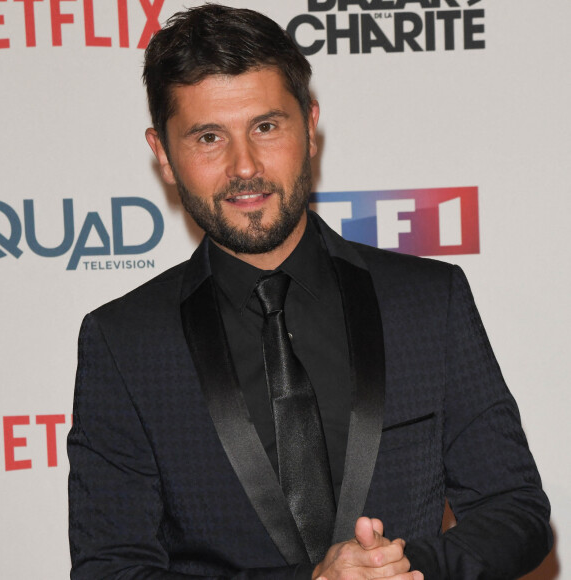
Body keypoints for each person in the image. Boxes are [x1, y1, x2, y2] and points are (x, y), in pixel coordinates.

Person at [67, 4, 552, 579]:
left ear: (310, 124)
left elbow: (515, 511)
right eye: (208, 137)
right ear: (163, 155)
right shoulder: (125, 341)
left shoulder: (427, 301)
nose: (244, 166)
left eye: (266, 126)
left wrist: (403, 567)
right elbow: (110, 568)